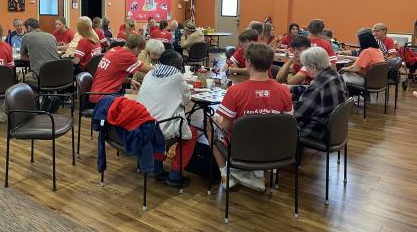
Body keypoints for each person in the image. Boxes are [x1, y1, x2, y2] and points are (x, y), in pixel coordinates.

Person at [212, 43, 293, 191]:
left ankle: (226, 176)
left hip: (242, 149)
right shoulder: (284, 91)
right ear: (270, 63)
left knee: (212, 125)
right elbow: (287, 124)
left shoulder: (235, 91)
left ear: (248, 62)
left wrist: (216, 120)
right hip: (275, 149)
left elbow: (225, 127)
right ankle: (256, 173)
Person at [137, 50, 197, 187]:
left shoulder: (150, 74)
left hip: (141, 126)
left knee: (160, 119)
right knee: (191, 132)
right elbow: (186, 99)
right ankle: (175, 175)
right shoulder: (176, 76)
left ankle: (156, 169)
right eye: (179, 63)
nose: (181, 66)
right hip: (159, 130)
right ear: (171, 63)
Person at [295, 47, 348, 140]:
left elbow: (298, 113)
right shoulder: (336, 76)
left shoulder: (318, 84)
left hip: (319, 130)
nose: (306, 70)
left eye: (306, 67)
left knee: (282, 124)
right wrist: (293, 88)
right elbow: (318, 91)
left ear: (313, 67)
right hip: (336, 128)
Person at [89, 34, 152, 104]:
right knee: (141, 100)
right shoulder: (126, 56)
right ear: (136, 48)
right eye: (139, 52)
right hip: (103, 97)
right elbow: (149, 69)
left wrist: (129, 80)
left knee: (136, 92)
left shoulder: (114, 49)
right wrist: (164, 68)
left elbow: (112, 74)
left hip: (98, 93)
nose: (138, 55)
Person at [21, 18, 60, 86]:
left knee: (21, 77)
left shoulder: (26, 36)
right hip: (57, 74)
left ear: (29, 28)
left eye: (26, 29)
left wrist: (36, 58)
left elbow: (23, 57)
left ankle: (33, 95)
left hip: (40, 76)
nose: (26, 31)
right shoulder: (51, 36)